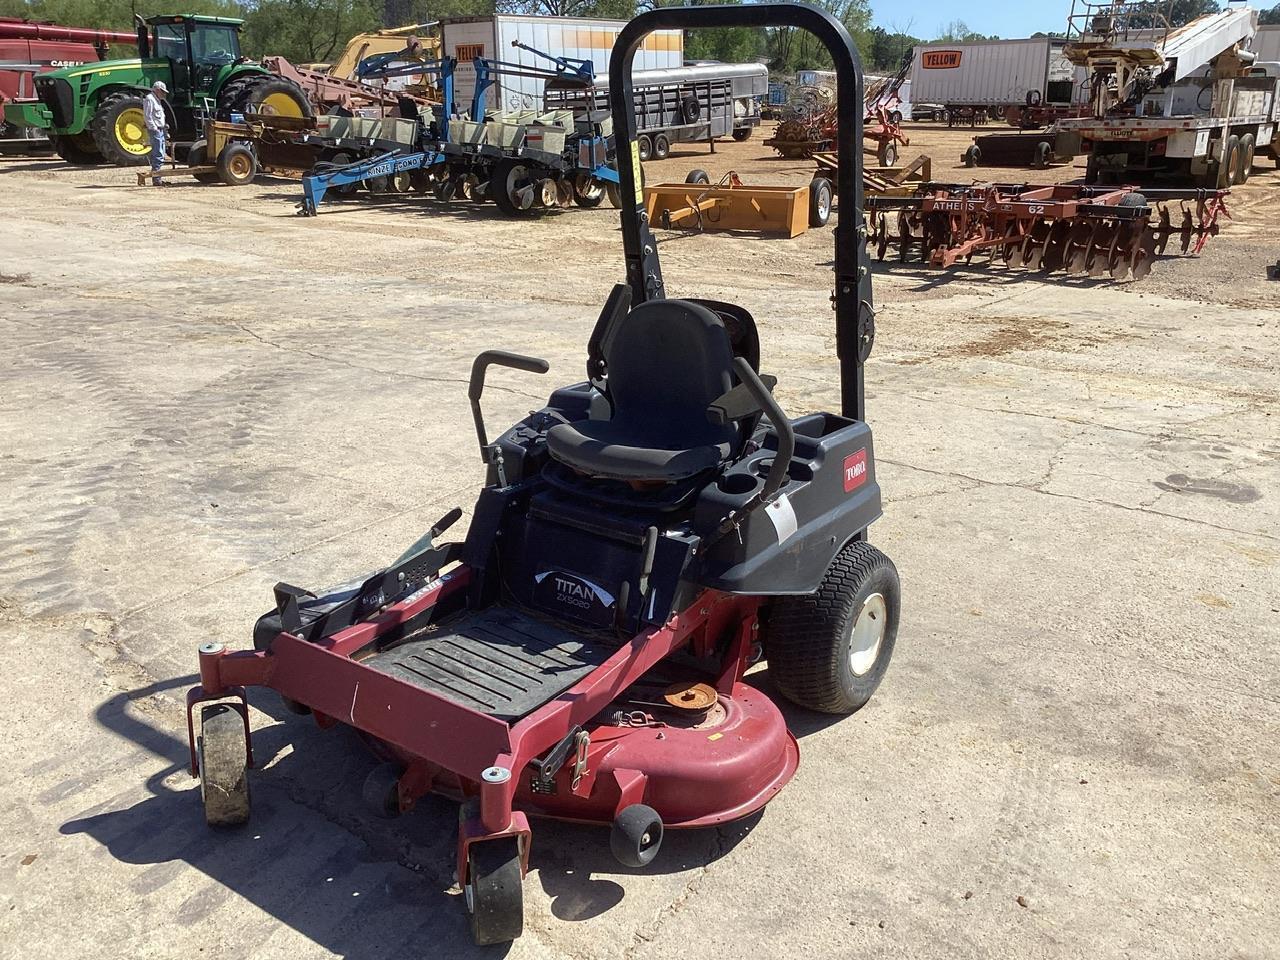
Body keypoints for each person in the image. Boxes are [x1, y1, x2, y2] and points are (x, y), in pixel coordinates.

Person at [144, 81, 169, 185]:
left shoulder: (157, 100)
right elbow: (147, 116)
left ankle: (157, 176)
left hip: (160, 129)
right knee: (157, 152)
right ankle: (156, 178)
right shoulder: (150, 99)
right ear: (157, 90)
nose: (164, 94)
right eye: (162, 92)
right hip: (156, 130)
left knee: (161, 152)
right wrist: (154, 128)